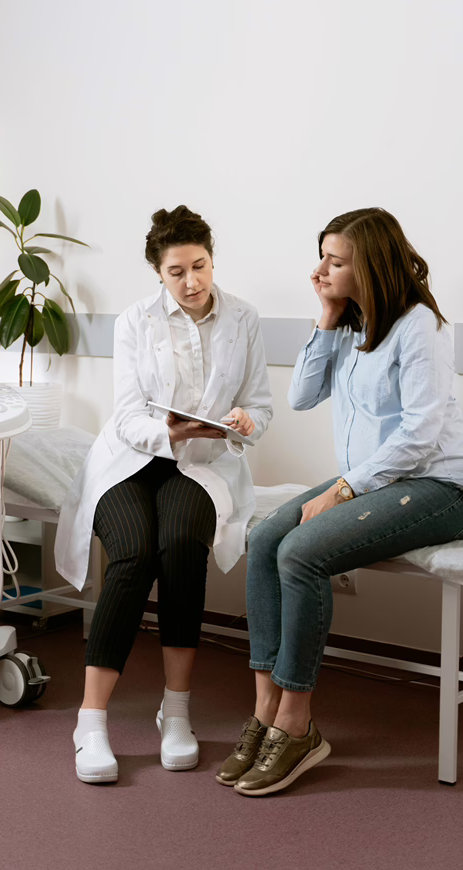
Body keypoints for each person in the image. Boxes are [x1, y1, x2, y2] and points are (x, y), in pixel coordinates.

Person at [217, 207, 463, 797]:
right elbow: (302, 396)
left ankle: (298, 725)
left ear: (370, 264)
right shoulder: (352, 326)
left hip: (438, 487)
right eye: (321, 255)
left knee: (300, 552)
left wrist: (343, 489)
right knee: (267, 535)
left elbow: (422, 434)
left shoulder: (421, 327)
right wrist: (326, 319)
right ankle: (266, 709)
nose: (320, 269)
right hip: (376, 480)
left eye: (335, 260)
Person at [55, 205, 273, 784]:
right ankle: (91, 720)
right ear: (158, 272)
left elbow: (261, 402)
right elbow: (127, 416)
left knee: (180, 547)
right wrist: (171, 429)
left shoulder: (244, 319)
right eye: (177, 272)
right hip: (132, 461)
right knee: (132, 555)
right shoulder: (134, 321)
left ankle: (175, 711)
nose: (192, 282)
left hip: (201, 466)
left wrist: (248, 422)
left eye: (199, 266)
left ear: (211, 258)